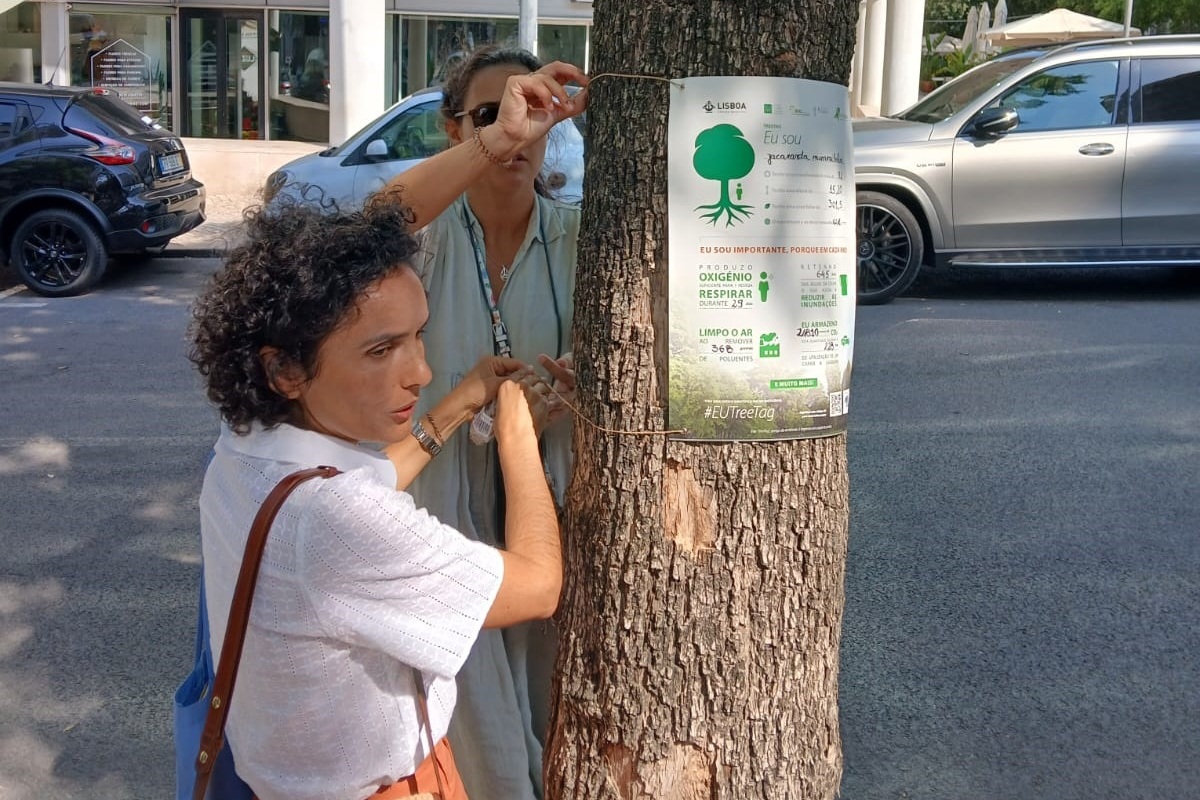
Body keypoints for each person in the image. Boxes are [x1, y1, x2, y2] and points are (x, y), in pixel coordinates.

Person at [188, 193, 567, 800]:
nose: (419, 370)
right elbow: (537, 586)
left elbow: (368, 477)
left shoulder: (246, 448)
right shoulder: (336, 522)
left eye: (418, 335)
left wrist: (457, 406)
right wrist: (518, 438)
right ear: (285, 370)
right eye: (380, 349)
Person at [378, 47, 586, 800]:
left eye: (536, 117)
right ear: (452, 128)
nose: (519, 134)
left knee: (550, 720)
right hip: (443, 523)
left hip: (552, 521)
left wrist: (576, 391)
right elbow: (373, 221)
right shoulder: (421, 246)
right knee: (474, 743)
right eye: (493, 115)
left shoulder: (582, 242)